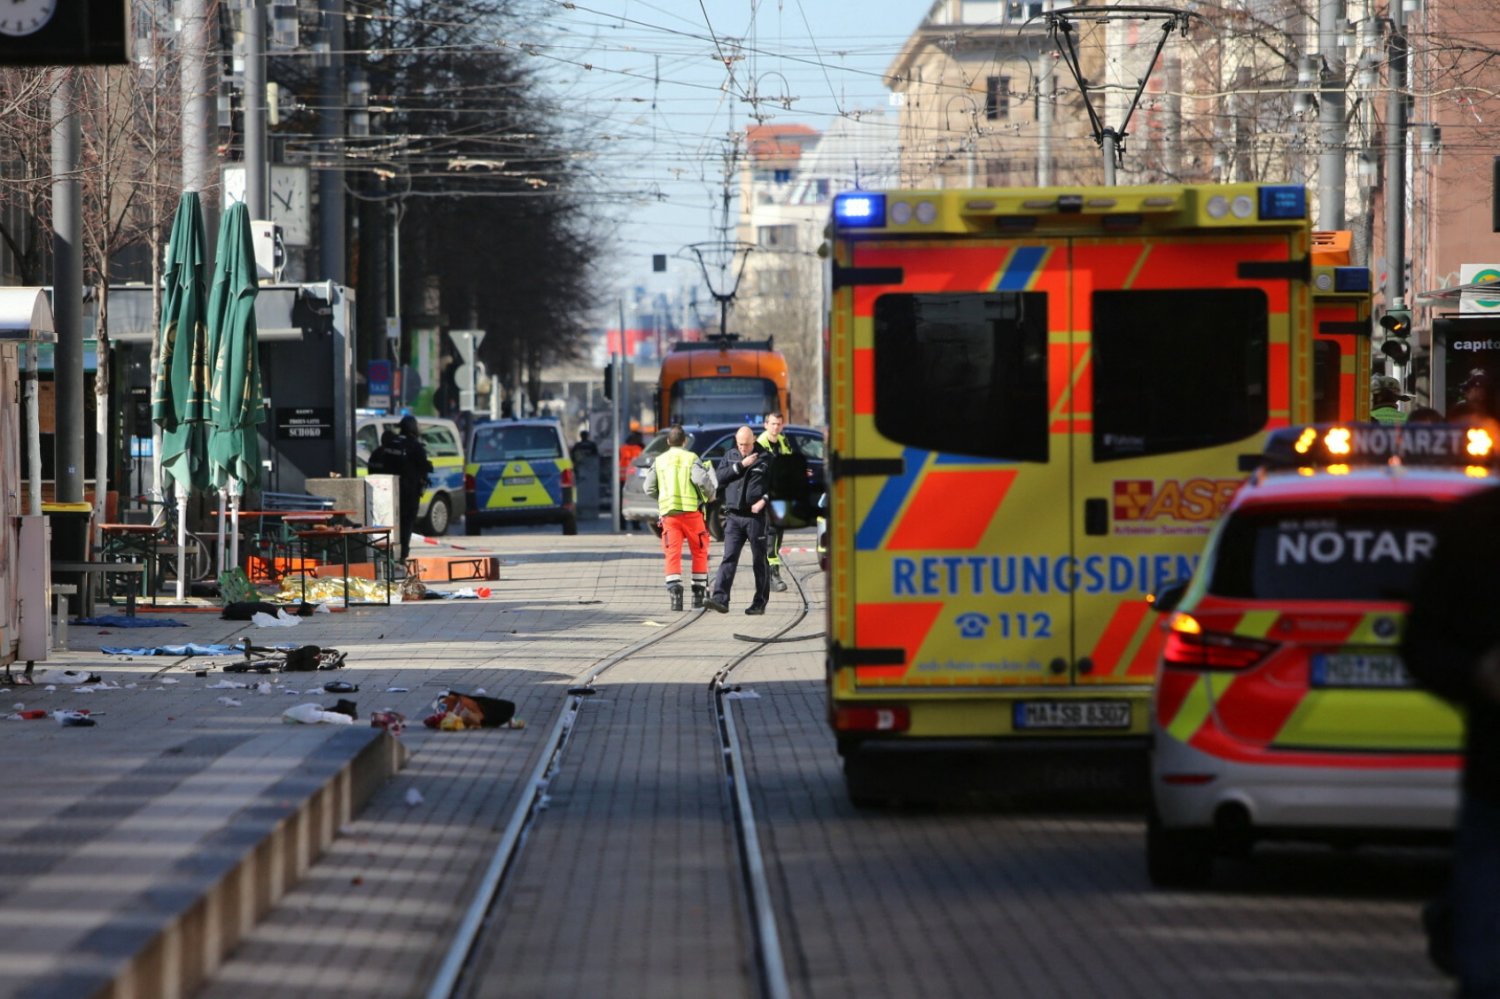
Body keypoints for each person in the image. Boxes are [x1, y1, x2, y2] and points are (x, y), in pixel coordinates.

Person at [1401, 483, 1500, 993]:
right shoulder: (1477, 528)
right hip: (1495, 786)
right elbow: (1421, 644)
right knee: (1485, 972)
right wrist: (1477, 673)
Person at [643, 425, 713, 610]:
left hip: (669, 516)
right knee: (699, 551)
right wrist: (710, 495)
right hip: (691, 514)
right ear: (684, 442)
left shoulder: (659, 461)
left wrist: (663, 496)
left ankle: (675, 592)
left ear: (668, 442)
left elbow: (647, 487)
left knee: (672, 553)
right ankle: (698, 594)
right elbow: (701, 481)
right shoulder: (691, 458)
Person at [703, 427, 770, 615]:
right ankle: (720, 599)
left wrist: (763, 500)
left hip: (755, 518)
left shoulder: (766, 458)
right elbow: (718, 478)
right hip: (733, 516)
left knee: (759, 560)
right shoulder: (730, 455)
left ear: (754, 440)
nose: (743, 448)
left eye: (747, 445)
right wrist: (740, 465)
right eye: (740, 444)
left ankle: (759, 602)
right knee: (729, 557)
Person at [756, 412, 796, 592]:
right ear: (765, 425)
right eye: (772, 424)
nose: (776, 428)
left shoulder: (783, 441)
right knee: (771, 534)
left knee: (778, 535)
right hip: (765, 497)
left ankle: (768, 573)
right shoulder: (759, 445)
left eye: (779, 424)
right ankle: (773, 574)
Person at [392, 414, 433, 564]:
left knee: (393, 522)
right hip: (409, 491)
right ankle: (402, 554)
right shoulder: (414, 445)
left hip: (391, 490)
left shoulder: (393, 442)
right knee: (407, 522)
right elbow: (424, 465)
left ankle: (392, 553)